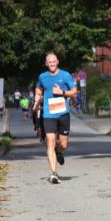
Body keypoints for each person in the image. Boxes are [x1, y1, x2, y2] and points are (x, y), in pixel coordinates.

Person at [34, 52, 77, 184]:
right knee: (50, 142)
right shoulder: (42, 76)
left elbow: (74, 91)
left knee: (63, 144)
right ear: (46, 64)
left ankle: (59, 152)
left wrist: (62, 92)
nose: (52, 64)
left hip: (63, 113)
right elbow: (38, 89)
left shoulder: (65, 75)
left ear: (57, 62)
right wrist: (38, 98)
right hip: (48, 114)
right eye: (49, 62)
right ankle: (54, 173)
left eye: (54, 61)